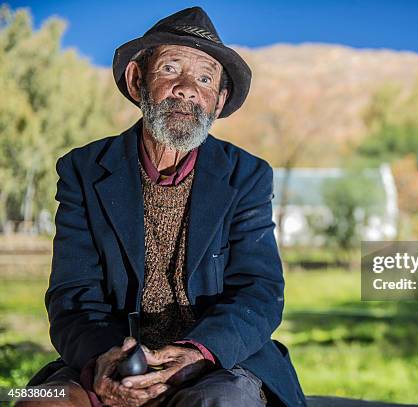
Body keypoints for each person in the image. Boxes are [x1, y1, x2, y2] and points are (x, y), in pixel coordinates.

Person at [18, 7, 306, 407]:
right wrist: (108, 360)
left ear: (218, 101)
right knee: (38, 400)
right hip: (110, 356)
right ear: (138, 81)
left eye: (205, 78)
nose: (187, 88)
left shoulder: (247, 175)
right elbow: (73, 293)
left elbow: (259, 291)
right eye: (170, 69)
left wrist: (198, 352)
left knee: (222, 402)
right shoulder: (83, 170)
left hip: (214, 362)